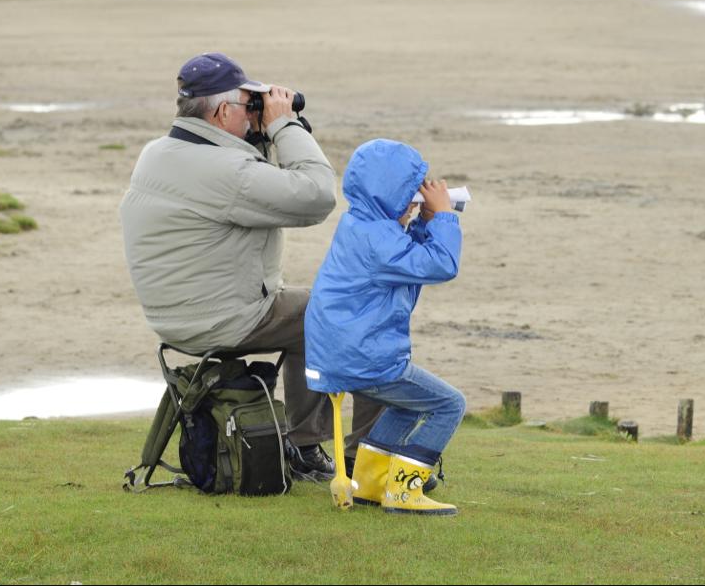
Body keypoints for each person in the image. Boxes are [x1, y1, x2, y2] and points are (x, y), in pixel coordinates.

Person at [119, 52, 382, 482]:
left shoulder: (160, 152)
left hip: (173, 317)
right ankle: (368, 457)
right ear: (223, 111)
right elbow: (316, 197)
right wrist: (285, 126)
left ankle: (305, 446)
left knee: (310, 316)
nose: (254, 113)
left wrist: (258, 136)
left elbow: (243, 183)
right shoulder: (225, 170)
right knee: (349, 314)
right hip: (223, 319)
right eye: (248, 104)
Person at [304, 139, 466, 516]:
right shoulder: (379, 238)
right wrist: (443, 216)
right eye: (409, 193)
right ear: (391, 195)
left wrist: (422, 222)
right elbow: (441, 264)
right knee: (448, 404)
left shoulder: (364, 224)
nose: (415, 200)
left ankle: (370, 485)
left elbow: (411, 259)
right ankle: (404, 491)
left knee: (407, 405)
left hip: (343, 351)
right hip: (364, 356)